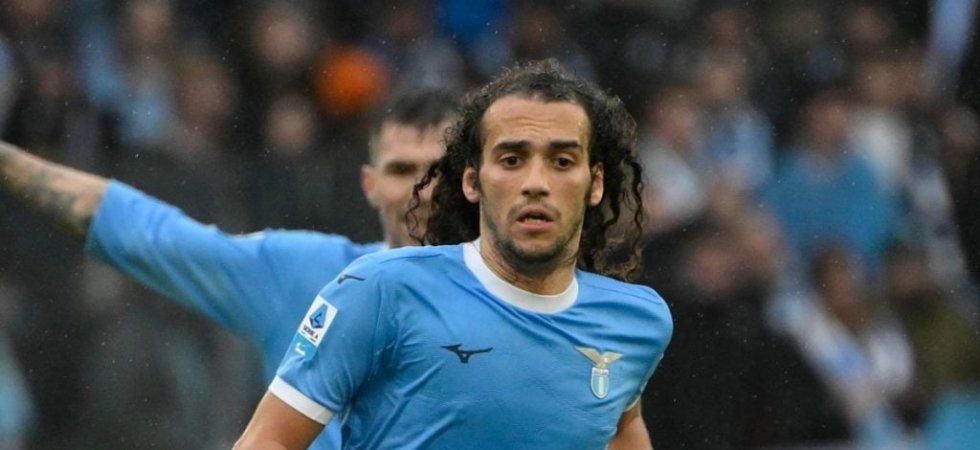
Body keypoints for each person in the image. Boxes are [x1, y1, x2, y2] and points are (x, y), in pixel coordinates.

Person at [236, 59, 673, 449]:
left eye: (561, 161)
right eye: (512, 159)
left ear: (595, 183)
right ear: (471, 181)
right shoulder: (381, 290)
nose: (536, 183)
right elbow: (269, 439)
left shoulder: (637, 321)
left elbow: (620, 427)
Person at [0, 88, 459, 450]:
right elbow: (145, 232)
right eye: (402, 170)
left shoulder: (501, 290)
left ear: (469, 180)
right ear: (370, 183)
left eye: (438, 170)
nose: (422, 190)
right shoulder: (303, 275)